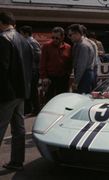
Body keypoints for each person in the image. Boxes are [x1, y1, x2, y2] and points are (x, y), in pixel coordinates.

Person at [0, 11, 33, 171]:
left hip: (7, 93)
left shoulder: (4, 39)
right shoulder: (25, 40)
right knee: (19, 128)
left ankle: (16, 162)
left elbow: (2, 69)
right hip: (21, 92)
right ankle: (17, 161)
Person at [40, 27, 72, 102]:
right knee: (49, 99)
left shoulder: (68, 47)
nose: (54, 40)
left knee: (62, 99)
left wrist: (68, 73)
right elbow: (42, 62)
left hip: (63, 78)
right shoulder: (46, 46)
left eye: (57, 38)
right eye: (53, 37)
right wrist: (44, 77)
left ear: (62, 37)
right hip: (50, 78)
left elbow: (70, 62)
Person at [19, 25, 41, 115]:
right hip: (29, 70)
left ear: (26, 33)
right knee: (29, 90)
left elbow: (38, 55)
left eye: (21, 33)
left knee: (32, 90)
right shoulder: (27, 41)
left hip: (33, 70)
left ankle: (35, 109)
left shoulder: (31, 42)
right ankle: (30, 109)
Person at [68, 24, 96, 94]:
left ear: (77, 34)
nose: (69, 37)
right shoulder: (79, 44)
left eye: (70, 35)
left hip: (84, 75)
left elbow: (81, 65)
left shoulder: (83, 46)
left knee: (82, 98)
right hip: (84, 74)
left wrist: (76, 82)